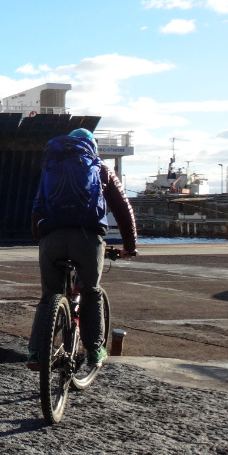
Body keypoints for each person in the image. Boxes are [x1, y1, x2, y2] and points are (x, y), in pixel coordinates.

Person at [27, 128, 138, 369]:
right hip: (87, 239)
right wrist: (130, 247)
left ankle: (36, 353)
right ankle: (95, 349)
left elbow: (37, 208)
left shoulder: (51, 167)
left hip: (51, 239)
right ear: (92, 148)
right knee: (91, 292)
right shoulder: (100, 169)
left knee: (48, 297)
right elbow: (123, 211)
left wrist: (42, 240)